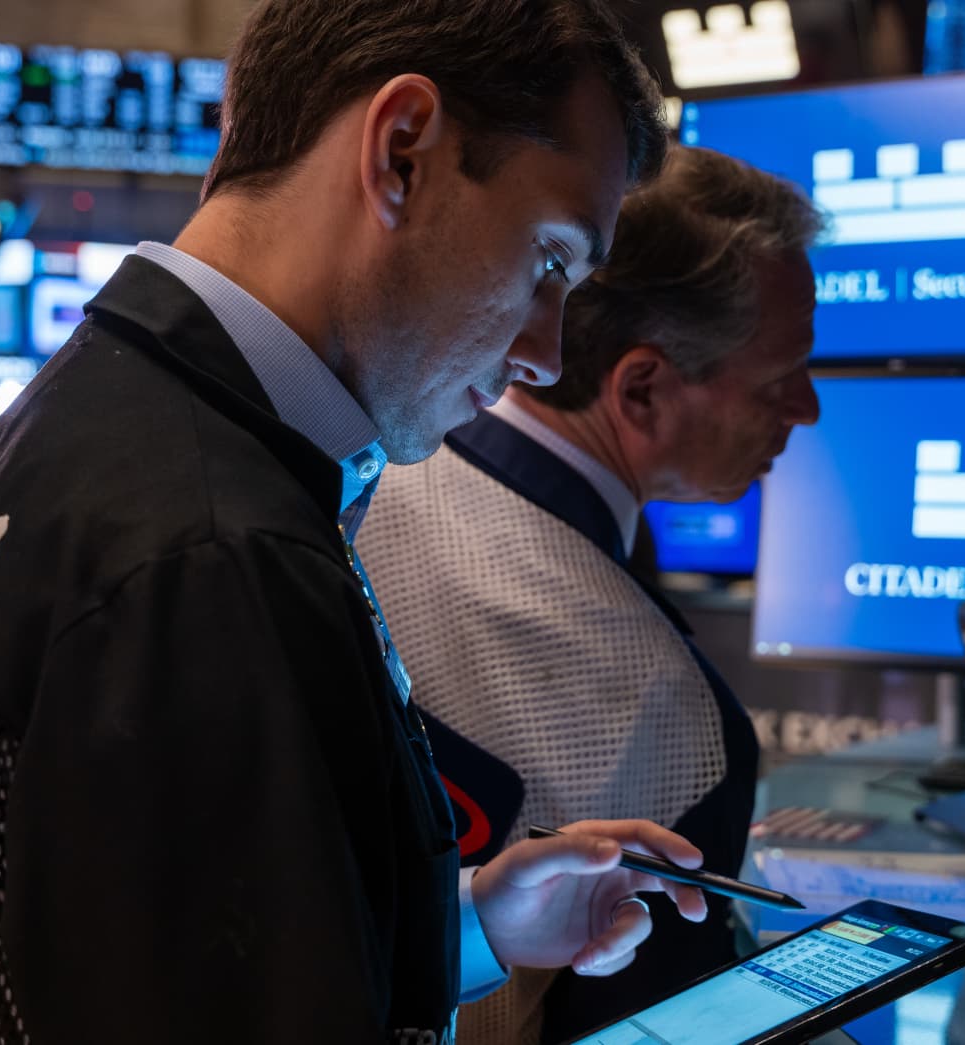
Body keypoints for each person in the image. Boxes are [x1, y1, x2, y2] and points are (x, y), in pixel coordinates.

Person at [0, 2, 711, 1043]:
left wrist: (458, 923)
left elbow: (154, 947)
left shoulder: (98, 407)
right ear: (401, 151)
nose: (546, 353)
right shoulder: (216, 551)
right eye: (550, 263)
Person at [356, 145, 824, 1043]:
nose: (805, 408)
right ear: (641, 388)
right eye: (779, 377)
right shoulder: (676, 720)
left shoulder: (366, 475)